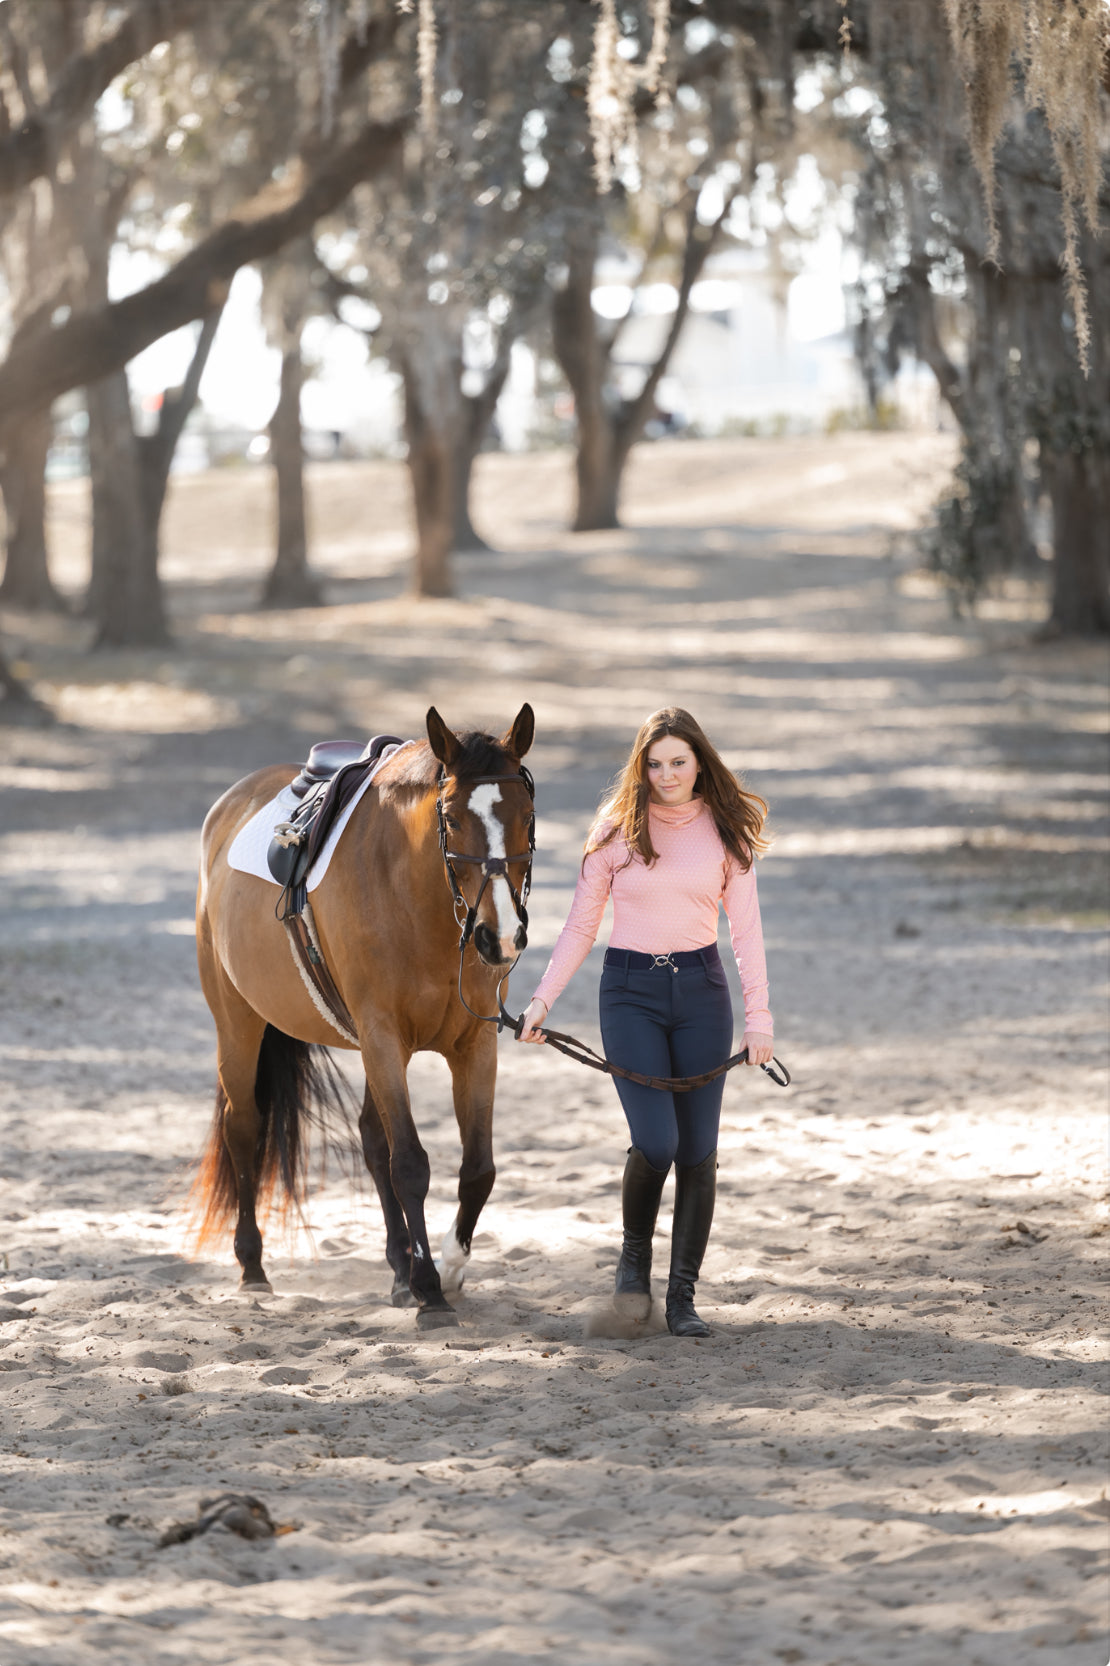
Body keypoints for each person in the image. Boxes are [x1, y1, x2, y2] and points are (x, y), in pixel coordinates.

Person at [518, 707, 773, 1338]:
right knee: (656, 1142)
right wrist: (542, 1001)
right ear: (642, 766)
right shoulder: (615, 832)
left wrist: (759, 1017)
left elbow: (746, 933)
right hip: (629, 991)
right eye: (655, 764)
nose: (666, 775)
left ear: (699, 762)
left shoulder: (725, 831)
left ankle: (682, 1297)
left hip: (702, 992)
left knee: (699, 1152)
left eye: (678, 763)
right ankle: (634, 1263)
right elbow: (580, 927)